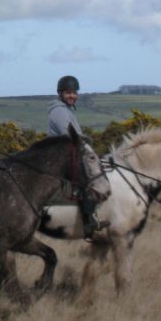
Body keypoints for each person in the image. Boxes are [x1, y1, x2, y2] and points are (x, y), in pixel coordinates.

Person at [47, 75, 101, 239]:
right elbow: (71, 137)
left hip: (71, 154)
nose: (72, 95)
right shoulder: (59, 112)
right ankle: (88, 222)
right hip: (62, 158)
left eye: (74, 92)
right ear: (60, 93)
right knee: (86, 180)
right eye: (68, 92)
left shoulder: (66, 110)